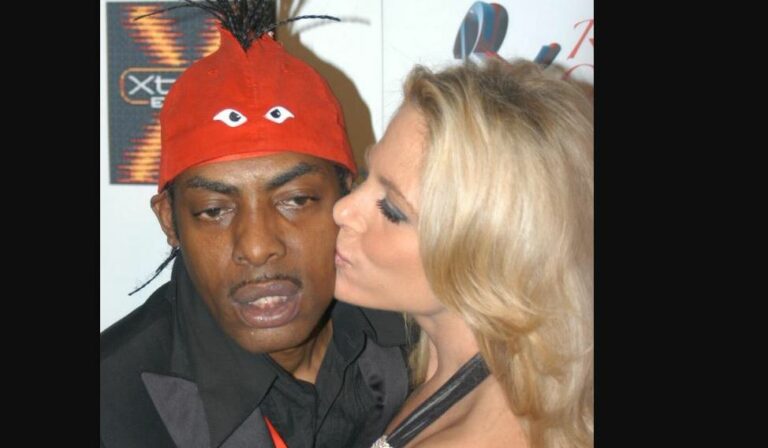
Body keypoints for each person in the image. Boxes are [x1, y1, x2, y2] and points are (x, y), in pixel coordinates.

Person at [100, 2, 409, 447]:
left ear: (347, 199)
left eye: (296, 200)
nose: (258, 245)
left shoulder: (425, 340)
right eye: (214, 210)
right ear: (170, 220)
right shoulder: (110, 404)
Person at [333, 58, 594, 448]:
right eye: (364, 175)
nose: (343, 210)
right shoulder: (460, 368)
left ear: (484, 256)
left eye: (392, 210)